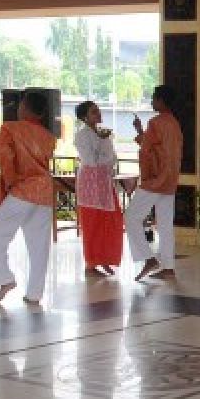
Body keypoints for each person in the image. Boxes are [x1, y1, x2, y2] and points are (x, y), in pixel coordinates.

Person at [0, 90, 58, 305]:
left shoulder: (9, 129)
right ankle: (34, 294)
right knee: (38, 246)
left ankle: (5, 278)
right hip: (44, 191)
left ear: (24, 107)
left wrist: (9, 185)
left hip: (23, 189)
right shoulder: (49, 137)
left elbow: (6, 160)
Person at [125, 85, 183, 282]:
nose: (152, 102)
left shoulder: (156, 123)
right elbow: (158, 147)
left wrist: (145, 178)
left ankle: (148, 258)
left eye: (153, 98)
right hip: (170, 179)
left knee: (131, 217)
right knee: (165, 224)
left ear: (161, 101)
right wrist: (140, 131)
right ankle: (168, 267)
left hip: (156, 180)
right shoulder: (174, 123)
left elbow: (147, 150)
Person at [74, 101, 123, 277]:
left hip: (104, 184)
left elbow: (113, 158)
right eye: (94, 112)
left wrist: (104, 144)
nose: (98, 114)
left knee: (109, 221)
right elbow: (90, 160)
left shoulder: (102, 134)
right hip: (90, 185)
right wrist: (104, 147)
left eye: (98, 111)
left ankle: (104, 259)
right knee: (92, 223)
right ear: (85, 117)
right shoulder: (82, 135)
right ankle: (91, 262)